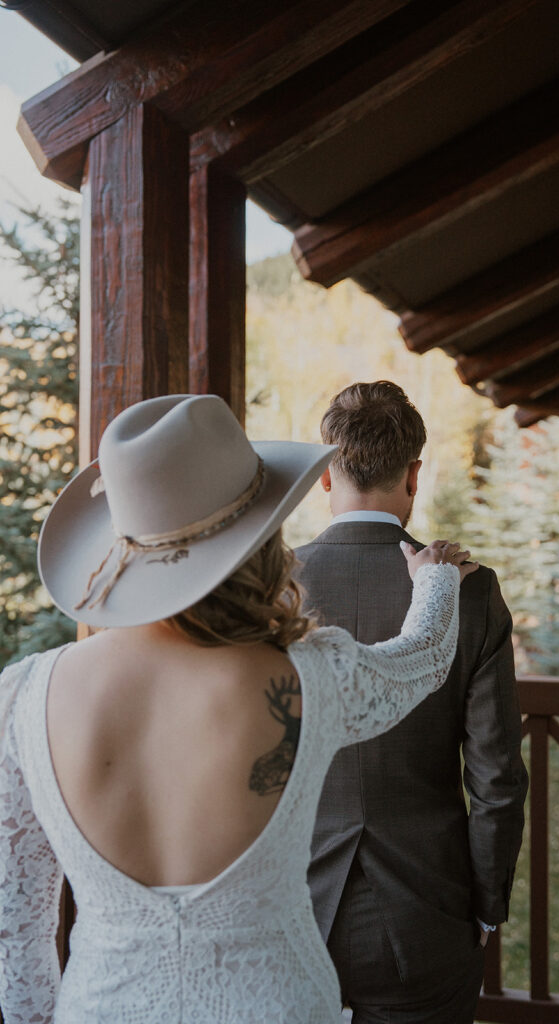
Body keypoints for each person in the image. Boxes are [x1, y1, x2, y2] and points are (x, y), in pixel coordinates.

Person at [0, 393, 478, 1024]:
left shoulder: (23, 696)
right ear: (259, 533)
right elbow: (422, 662)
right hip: (274, 1006)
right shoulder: (311, 673)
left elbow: (17, 927)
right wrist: (436, 580)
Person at [296, 381, 528, 1024]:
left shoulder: (271, 589)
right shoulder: (469, 592)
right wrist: (486, 904)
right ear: (415, 474)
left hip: (291, 912)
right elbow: (497, 776)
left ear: (323, 474)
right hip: (427, 912)